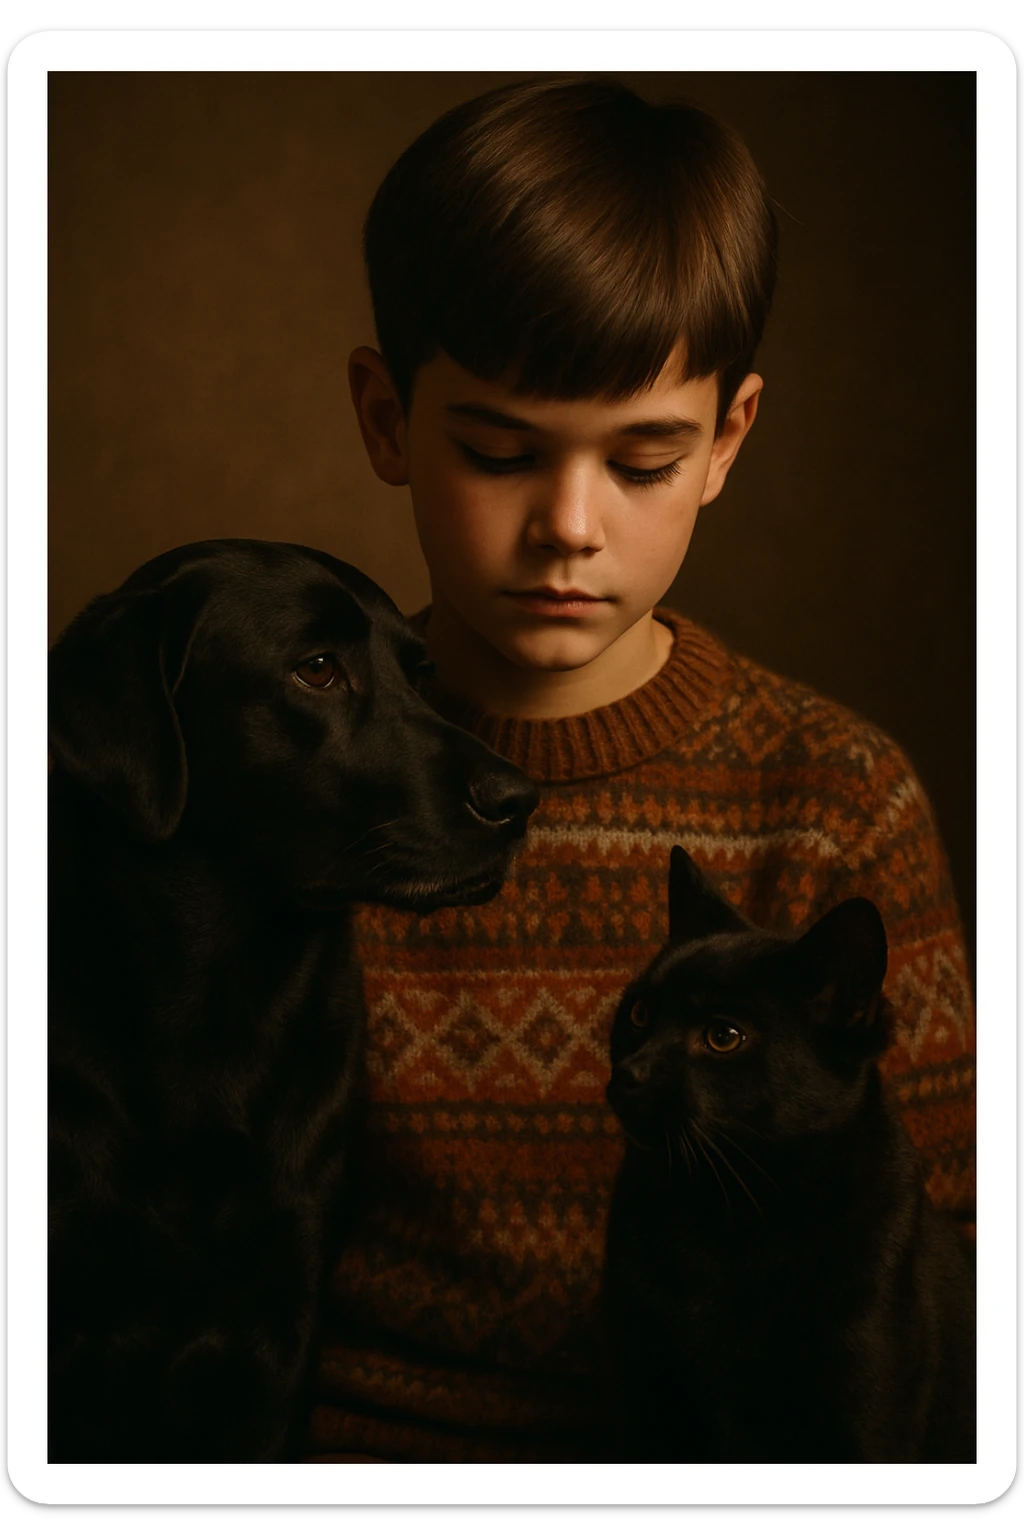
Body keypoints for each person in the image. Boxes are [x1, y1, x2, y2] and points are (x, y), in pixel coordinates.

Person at [303, 78, 975, 1464]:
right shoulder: (296, 787)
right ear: (386, 419)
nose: (569, 527)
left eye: (645, 460)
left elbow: (952, 1278)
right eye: (498, 453)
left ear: (726, 440)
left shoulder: (839, 799)